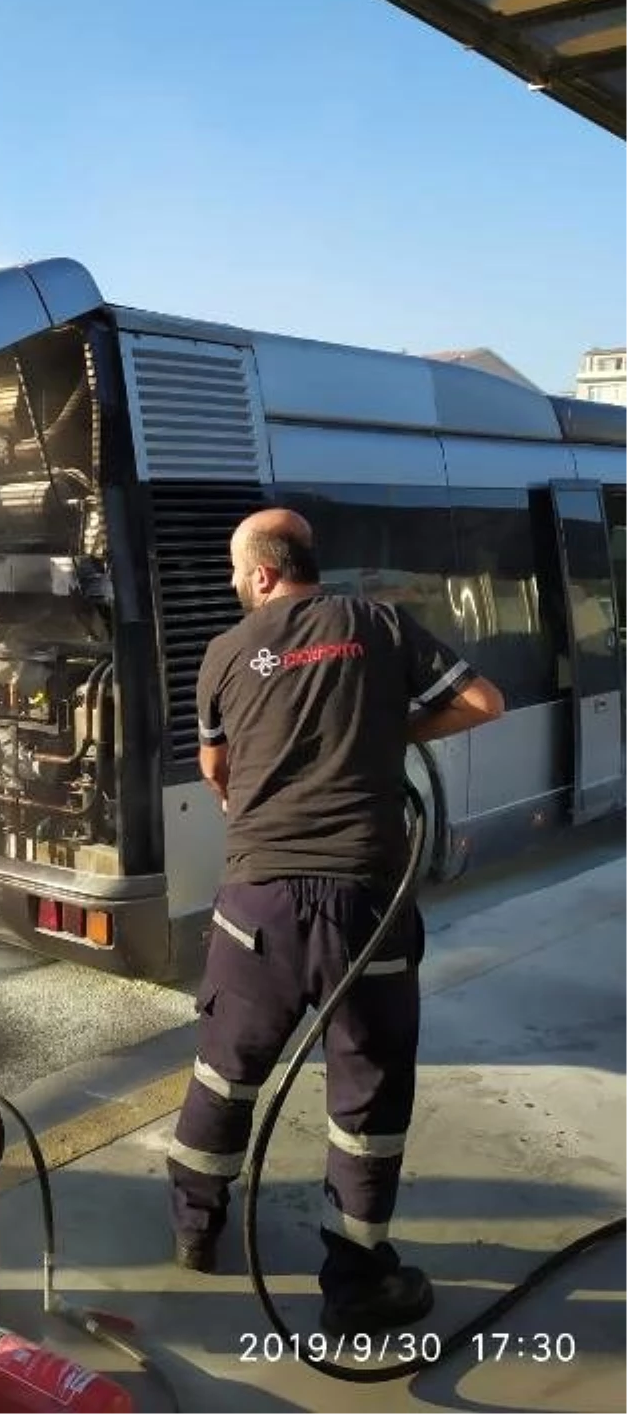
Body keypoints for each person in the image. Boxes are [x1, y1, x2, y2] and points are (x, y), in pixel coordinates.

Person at [167, 508, 504, 1338]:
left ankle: (195, 1231)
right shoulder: (379, 624)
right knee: (368, 1093)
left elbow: (216, 767)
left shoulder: (223, 653)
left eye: (236, 572)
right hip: (365, 905)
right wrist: (384, 733)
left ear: (263, 573)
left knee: (224, 1073)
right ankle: (355, 1284)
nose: (235, 584)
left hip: (259, 905)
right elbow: (484, 701)